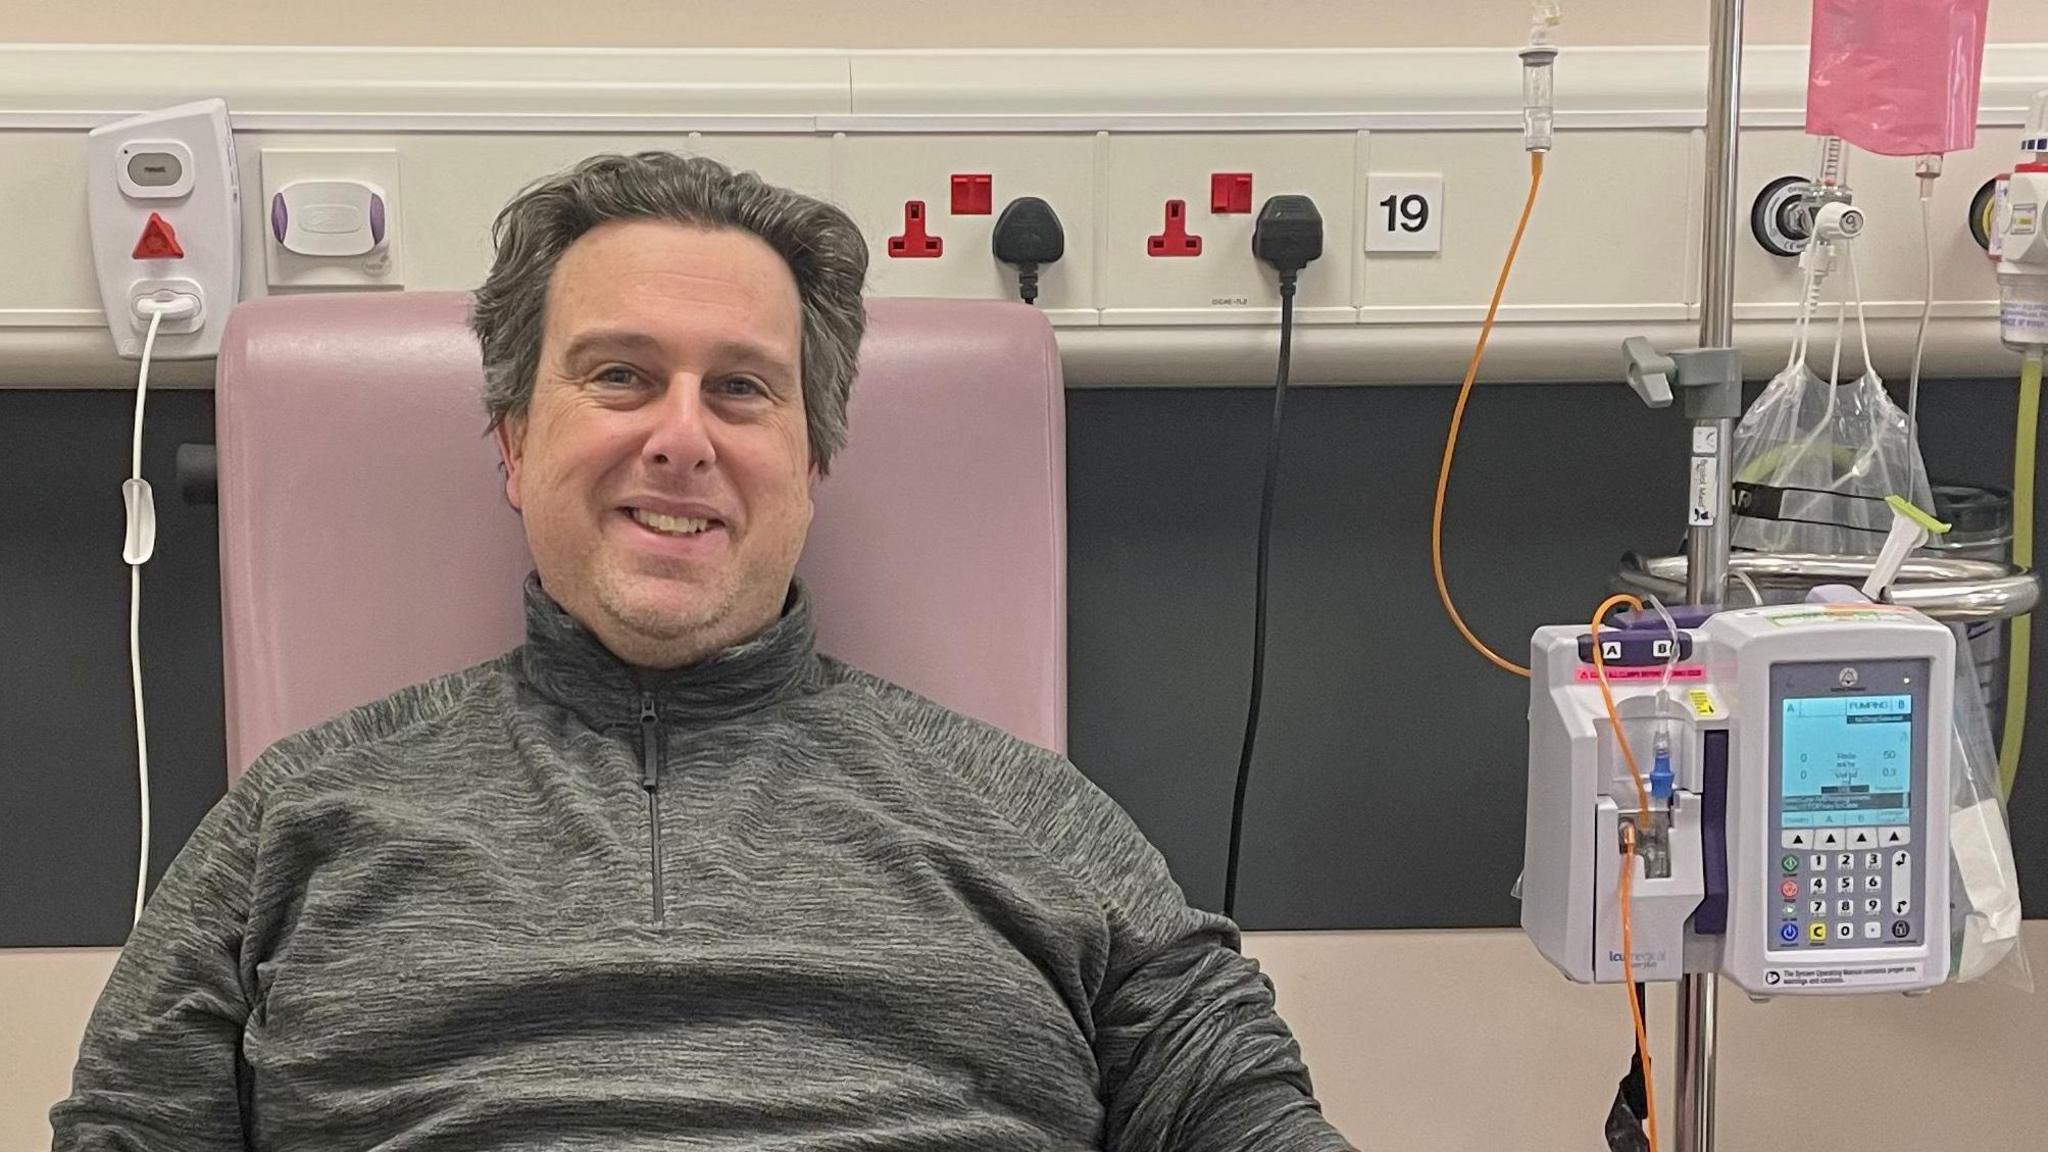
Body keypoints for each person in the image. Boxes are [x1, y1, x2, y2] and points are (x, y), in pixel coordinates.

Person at [53, 152, 1353, 1151]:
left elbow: (1251, 1116)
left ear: (810, 459)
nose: (682, 436)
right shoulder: (296, 825)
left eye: (742, 388)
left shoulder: (1040, 825)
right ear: (513, 442)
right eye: (620, 376)